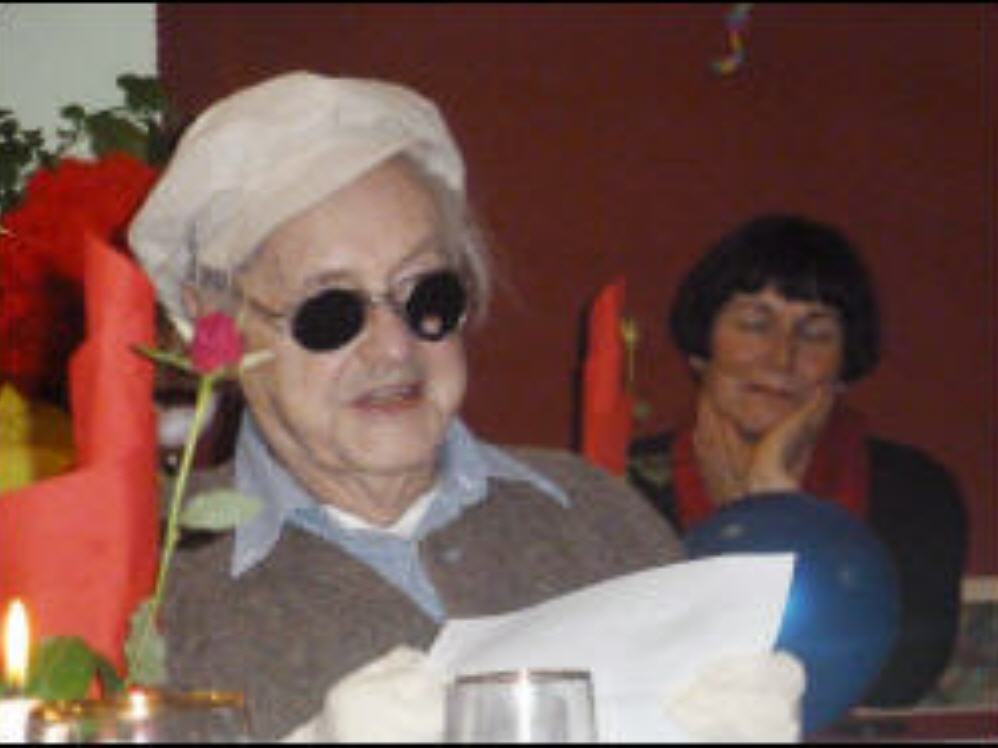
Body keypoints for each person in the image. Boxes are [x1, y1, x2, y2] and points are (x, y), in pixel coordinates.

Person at [128, 71, 803, 742]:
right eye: (331, 312)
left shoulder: (600, 520)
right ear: (216, 322)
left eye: (427, 296)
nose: (393, 348)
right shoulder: (152, 580)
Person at [628, 214, 968, 709]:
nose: (781, 356)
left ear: (843, 365)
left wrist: (774, 509)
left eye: (816, 333)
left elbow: (901, 678)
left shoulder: (913, 490)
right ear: (704, 346)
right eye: (754, 324)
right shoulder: (622, 485)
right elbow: (630, 668)